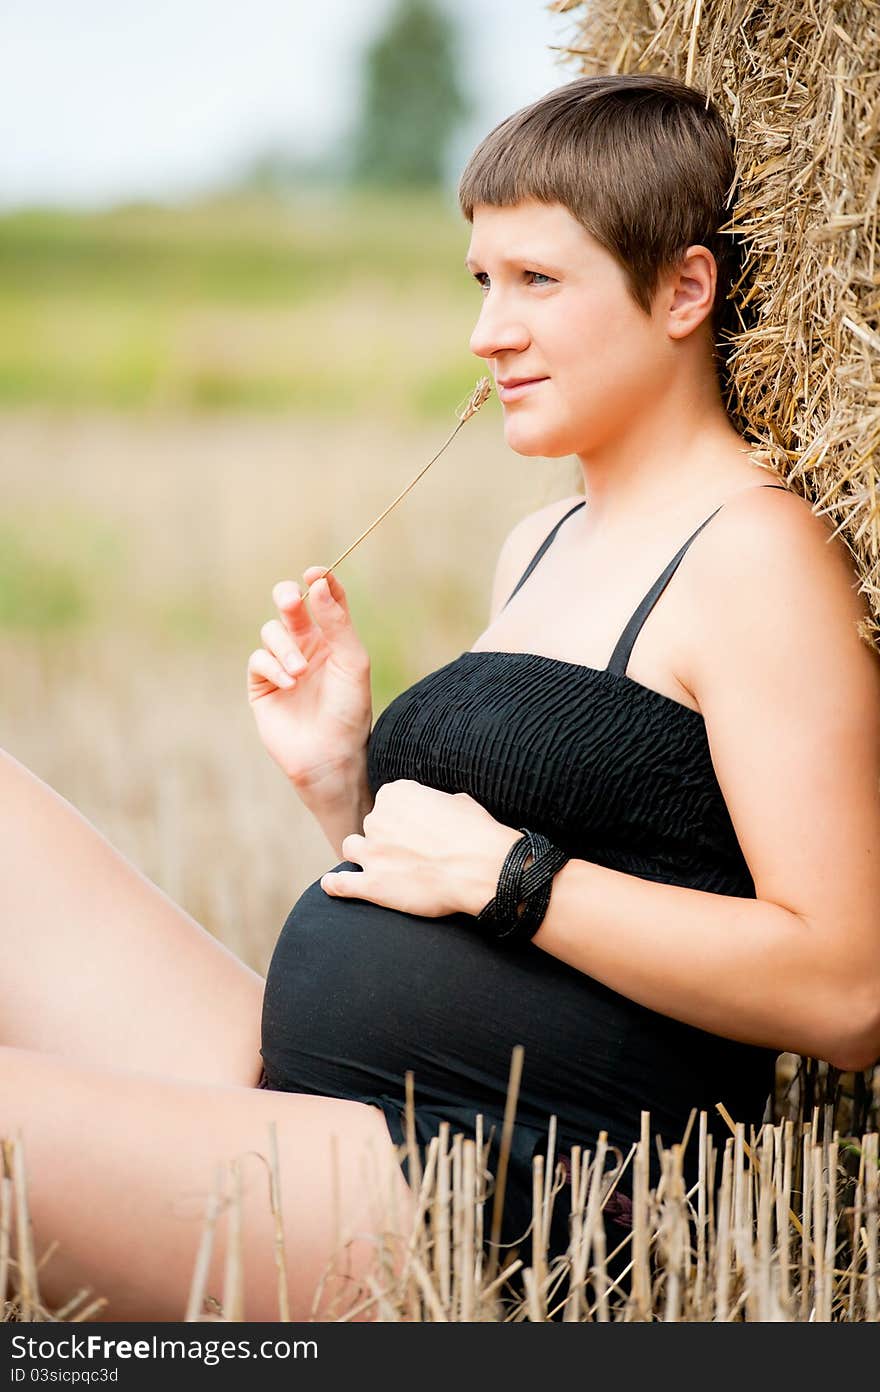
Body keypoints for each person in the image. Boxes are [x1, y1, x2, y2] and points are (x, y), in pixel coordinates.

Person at [3, 74, 879, 1324]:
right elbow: (456, 888)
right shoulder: (537, 545)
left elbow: (848, 991)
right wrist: (339, 782)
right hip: (324, 1103)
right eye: (482, 282)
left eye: (538, 281)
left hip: (499, 1188)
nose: (487, 332)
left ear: (683, 290)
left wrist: (516, 878)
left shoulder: (757, 555)